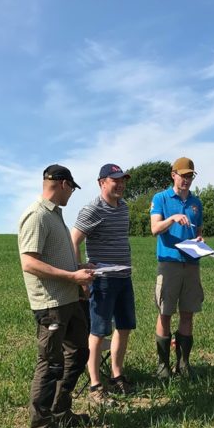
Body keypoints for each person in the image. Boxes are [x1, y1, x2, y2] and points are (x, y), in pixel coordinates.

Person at [18, 164, 96, 428]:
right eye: (72, 188)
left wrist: (79, 268)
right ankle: (42, 427)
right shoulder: (37, 216)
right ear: (63, 184)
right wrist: (71, 276)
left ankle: (61, 412)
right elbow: (29, 262)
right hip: (50, 303)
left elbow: (55, 258)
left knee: (77, 354)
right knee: (50, 363)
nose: (72, 194)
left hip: (69, 298)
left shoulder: (56, 217)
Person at [71, 164, 136, 407]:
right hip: (103, 280)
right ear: (101, 183)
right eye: (114, 180)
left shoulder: (124, 207)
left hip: (124, 277)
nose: (120, 184)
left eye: (122, 180)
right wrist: (80, 273)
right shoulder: (92, 209)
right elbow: (74, 239)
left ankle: (117, 375)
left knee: (125, 327)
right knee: (98, 331)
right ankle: (95, 384)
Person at [150, 157, 204, 379]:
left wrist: (200, 239)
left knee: (188, 313)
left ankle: (183, 363)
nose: (187, 180)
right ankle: (163, 365)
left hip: (191, 263)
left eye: (190, 176)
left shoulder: (196, 202)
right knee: (165, 313)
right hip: (169, 263)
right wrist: (172, 218)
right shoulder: (161, 198)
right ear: (173, 175)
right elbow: (155, 229)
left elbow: (199, 230)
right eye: (183, 175)